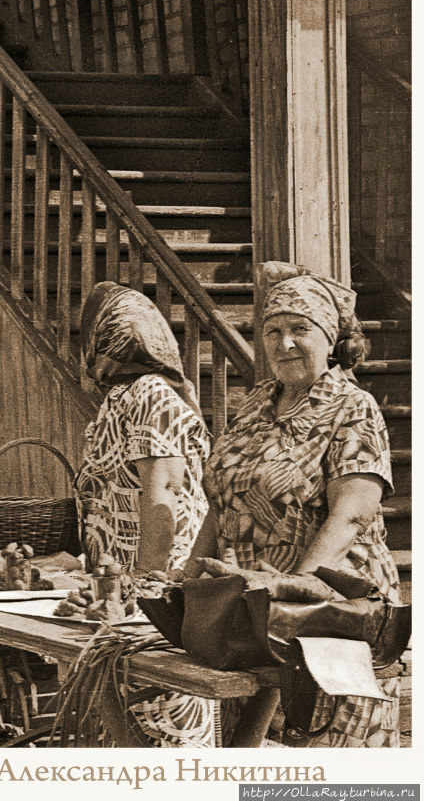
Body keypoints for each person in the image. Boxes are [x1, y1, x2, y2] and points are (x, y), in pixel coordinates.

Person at [191, 262, 401, 747]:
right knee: (260, 756)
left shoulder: (352, 407)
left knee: (326, 758)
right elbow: (221, 500)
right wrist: (189, 576)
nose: (284, 343)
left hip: (329, 613)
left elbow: (351, 514)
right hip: (250, 617)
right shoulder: (255, 405)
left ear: (330, 339)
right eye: (272, 330)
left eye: (300, 330)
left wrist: (293, 592)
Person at [74, 281, 214, 746]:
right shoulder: (122, 398)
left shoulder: (152, 395)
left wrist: (149, 598)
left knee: (166, 735)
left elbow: (163, 497)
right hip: (122, 602)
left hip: (153, 604)